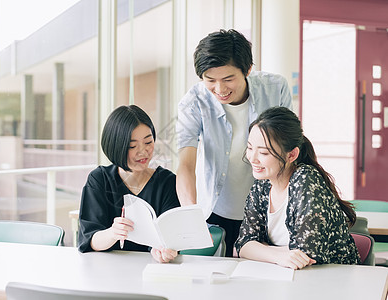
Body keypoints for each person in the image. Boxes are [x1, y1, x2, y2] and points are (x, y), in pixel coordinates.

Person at [176, 29, 292, 257]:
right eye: (210, 80)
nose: (220, 89)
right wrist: (190, 214)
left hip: (267, 211)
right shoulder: (194, 102)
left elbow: (288, 151)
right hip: (216, 211)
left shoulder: (275, 88)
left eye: (228, 79)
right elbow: (185, 166)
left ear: (248, 70)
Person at [235, 107, 360, 269]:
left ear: (291, 155)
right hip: (285, 276)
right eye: (250, 148)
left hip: (332, 279)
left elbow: (307, 255)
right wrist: (280, 256)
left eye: (264, 153)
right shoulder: (262, 185)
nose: (252, 158)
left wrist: (264, 249)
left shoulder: (305, 180)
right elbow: (244, 244)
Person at [78, 105, 179, 263]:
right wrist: (113, 233)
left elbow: (171, 236)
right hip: (106, 271)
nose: (143, 151)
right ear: (116, 146)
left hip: (152, 271)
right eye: (133, 146)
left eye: (148, 142)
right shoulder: (99, 180)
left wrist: (163, 250)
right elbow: (90, 239)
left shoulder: (167, 182)